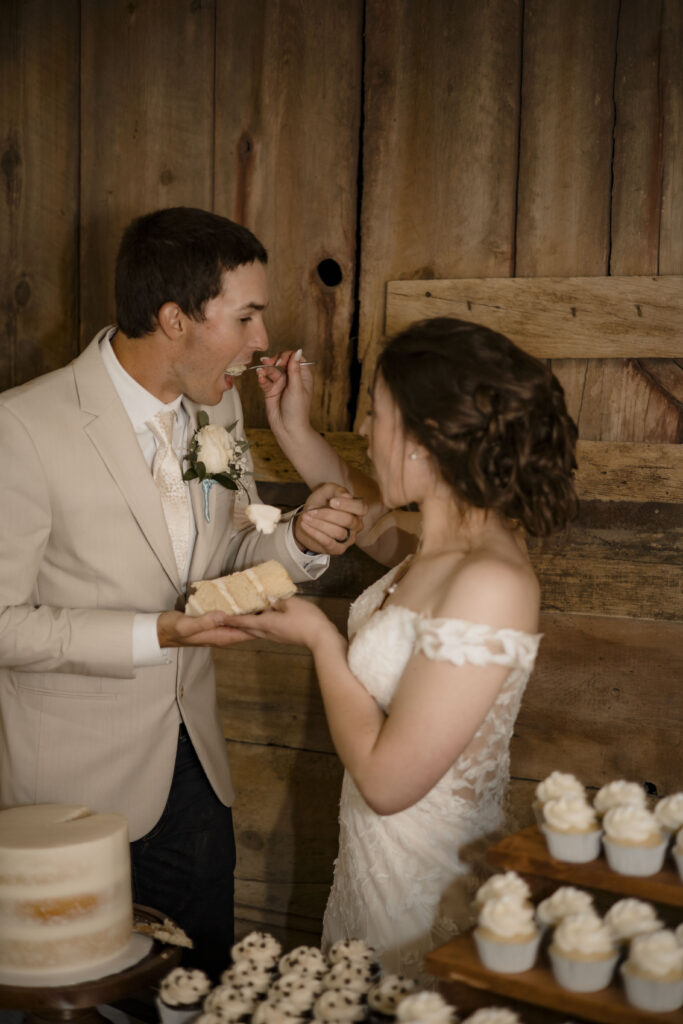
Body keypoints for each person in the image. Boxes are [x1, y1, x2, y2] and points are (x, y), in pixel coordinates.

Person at [0, 206, 365, 979]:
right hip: (69, 797)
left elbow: (223, 554)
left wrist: (295, 541)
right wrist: (155, 635)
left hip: (195, 774)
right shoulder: (22, 429)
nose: (262, 340)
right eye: (246, 317)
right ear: (174, 319)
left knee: (201, 988)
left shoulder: (218, 409)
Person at [230, 317, 578, 979]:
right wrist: (294, 430)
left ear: (425, 438)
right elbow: (374, 520)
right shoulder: (437, 550)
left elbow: (389, 784)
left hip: (423, 891)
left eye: (376, 414)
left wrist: (318, 639)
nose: (364, 431)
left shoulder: (492, 582)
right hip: (370, 873)